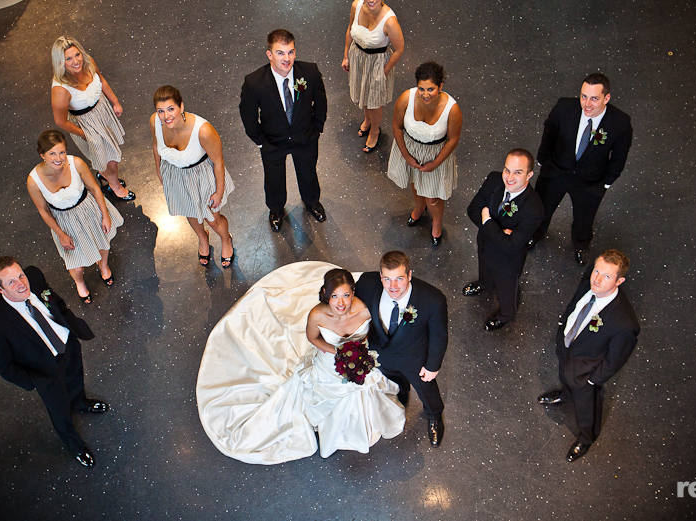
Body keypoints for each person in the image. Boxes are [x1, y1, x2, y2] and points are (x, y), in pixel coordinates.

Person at [195, 262, 405, 464]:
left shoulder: (365, 310)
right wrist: (339, 353)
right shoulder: (317, 315)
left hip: (359, 360)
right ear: (326, 294)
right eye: (334, 296)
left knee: (363, 389)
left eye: (346, 295)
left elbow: (375, 331)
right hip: (329, 363)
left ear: (353, 293)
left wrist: (358, 351)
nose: (341, 303)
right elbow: (313, 339)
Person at [0, 257, 109, 468]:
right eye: (11, 282)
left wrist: (68, 321)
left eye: (20, 275)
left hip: (67, 344)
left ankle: (80, 403)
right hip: (44, 371)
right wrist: (34, 381)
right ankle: (74, 445)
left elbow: (53, 300)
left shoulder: (34, 276)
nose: (21, 284)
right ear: (0, 289)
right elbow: (3, 366)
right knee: (58, 409)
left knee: (76, 379)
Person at [538, 249, 640, 462]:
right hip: (568, 350)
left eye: (607, 276)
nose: (597, 279)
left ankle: (586, 438)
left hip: (586, 372)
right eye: (596, 271)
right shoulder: (589, 282)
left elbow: (615, 360)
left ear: (619, 281)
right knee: (565, 377)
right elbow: (575, 305)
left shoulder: (624, 323)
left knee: (587, 408)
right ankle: (566, 395)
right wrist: (562, 328)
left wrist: (593, 380)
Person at [532, 73, 632, 265]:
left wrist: (606, 183)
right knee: (542, 208)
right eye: (583, 96)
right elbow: (549, 132)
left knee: (584, 219)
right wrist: (543, 160)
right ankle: (536, 234)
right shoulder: (564, 107)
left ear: (606, 98)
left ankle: (580, 245)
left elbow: (619, 156)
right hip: (556, 172)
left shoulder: (619, 123)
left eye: (594, 98)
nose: (587, 104)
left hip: (590, 181)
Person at [355, 251, 448, 446]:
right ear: (380, 276)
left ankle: (434, 416)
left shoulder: (432, 299)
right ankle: (401, 395)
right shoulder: (366, 284)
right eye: (387, 279)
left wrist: (432, 366)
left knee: (427, 391)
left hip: (415, 359)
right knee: (395, 383)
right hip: (381, 354)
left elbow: (439, 336)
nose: (393, 286)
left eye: (399, 278)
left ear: (409, 275)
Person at [239, 29, 328, 232]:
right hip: (273, 141)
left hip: (305, 137)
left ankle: (312, 202)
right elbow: (248, 115)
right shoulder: (254, 83)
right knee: (274, 178)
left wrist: (317, 129)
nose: (287, 59)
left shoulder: (310, 73)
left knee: (308, 172)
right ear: (269, 54)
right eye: (280, 53)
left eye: (290, 52)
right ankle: (276, 210)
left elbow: (321, 102)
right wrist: (261, 141)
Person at [26, 130, 124, 303]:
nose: (59, 158)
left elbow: (94, 188)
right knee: (76, 264)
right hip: (64, 221)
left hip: (88, 209)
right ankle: (80, 282)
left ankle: (103, 266)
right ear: (42, 155)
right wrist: (60, 234)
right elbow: (43, 210)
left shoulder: (76, 163)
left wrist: (105, 215)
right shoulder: (33, 181)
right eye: (52, 154)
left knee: (102, 244)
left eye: (62, 152)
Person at [150, 85, 235, 268]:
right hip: (176, 176)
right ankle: (202, 238)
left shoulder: (203, 131)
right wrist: (159, 171)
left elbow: (218, 162)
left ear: (181, 106)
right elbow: (156, 146)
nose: (166, 116)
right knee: (191, 214)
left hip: (202, 176)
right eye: (161, 111)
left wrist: (219, 192)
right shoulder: (155, 121)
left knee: (213, 219)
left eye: (171, 109)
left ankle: (226, 239)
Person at [464, 149, 545, 331]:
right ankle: (484, 284)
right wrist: (500, 232)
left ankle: (506, 315)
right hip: (485, 243)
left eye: (518, 172)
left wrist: (488, 221)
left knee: (506, 287)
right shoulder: (494, 179)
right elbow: (473, 209)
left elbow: (511, 246)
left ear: (529, 175)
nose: (509, 177)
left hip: (508, 260)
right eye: (507, 170)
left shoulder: (534, 208)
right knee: (484, 267)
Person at [50, 36, 135, 202]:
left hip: (102, 112)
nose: (76, 61)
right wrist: (84, 134)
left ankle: (106, 176)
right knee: (109, 160)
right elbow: (60, 121)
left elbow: (101, 80)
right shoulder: (60, 90)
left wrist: (115, 102)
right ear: (60, 62)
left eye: (77, 55)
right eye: (68, 59)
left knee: (108, 154)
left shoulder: (88, 62)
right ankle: (115, 186)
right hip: (86, 124)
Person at [386, 62, 462, 246]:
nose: (425, 94)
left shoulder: (452, 110)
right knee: (415, 183)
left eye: (430, 89)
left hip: (436, 154)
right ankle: (419, 208)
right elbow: (396, 127)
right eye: (421, 89)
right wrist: (406, 156)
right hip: (410, 149)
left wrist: (435, 164)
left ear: (440, 86)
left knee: (433, 197)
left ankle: (436, 222)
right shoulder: (406, 98)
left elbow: (453, 140)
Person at [340, 0, 405, 153]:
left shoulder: (390, 21)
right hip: (358, 57)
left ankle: (375, 130)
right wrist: (346, 56)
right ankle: (367, 120)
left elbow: (399, 49)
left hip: (377, 63)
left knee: (374, 102)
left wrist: (384, 71)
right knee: (364, 94)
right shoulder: (356, 6)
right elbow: (349, 29)